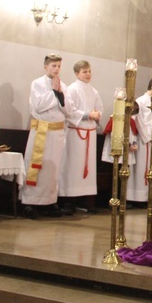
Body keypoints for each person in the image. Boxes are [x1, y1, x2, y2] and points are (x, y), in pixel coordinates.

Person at [21, 54, 77, 219]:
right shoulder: (37, 83)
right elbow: (38, 107)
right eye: (53, 66)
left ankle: (49, 202)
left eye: (59, 66)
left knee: (53, 168)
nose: (56, 69)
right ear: (46, 66)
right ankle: (29, 202)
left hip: (57, 133)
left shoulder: (64, 86)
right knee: (36, 166)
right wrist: (53, 92)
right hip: (41, 131)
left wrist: (60, 94)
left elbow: (69, 111)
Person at [59, 60, 103, 215]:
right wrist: (87, 115)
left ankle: (86, 201)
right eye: (85, 71)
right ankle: (69, 202)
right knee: (73, 167)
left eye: (89, 71)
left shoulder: (94, 91)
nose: (88, 74)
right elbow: (70, 111)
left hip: (89, 134)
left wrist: (97, 114)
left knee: (88, 170)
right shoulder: (72, 89)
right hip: (76, 134)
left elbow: (99, 108)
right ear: (77, 73)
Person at [129, 78, 152, 207]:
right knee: (141, 169)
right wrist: (148, 136)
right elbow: (137, 121)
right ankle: (138, 198)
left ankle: (150, 196)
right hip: (144, 140)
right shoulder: (140, 101)